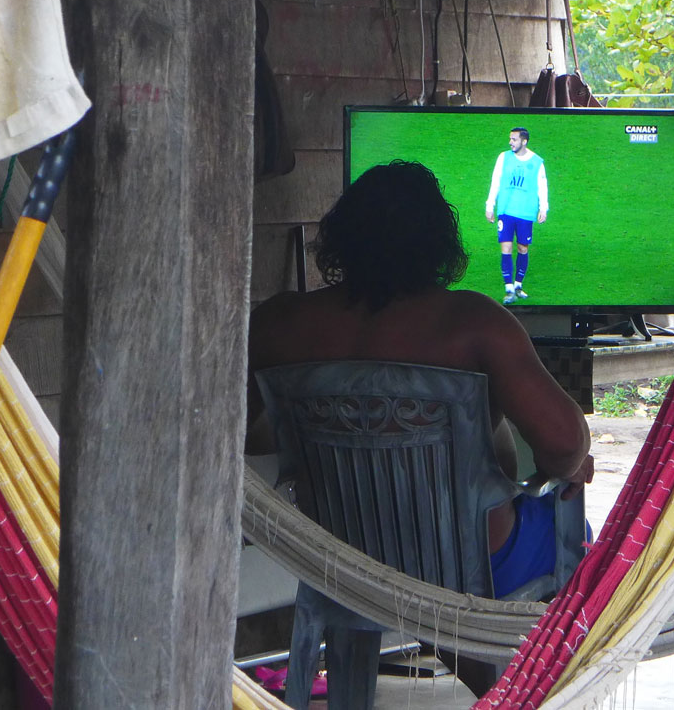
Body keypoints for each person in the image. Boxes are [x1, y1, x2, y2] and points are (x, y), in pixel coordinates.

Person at [246, 161, 592, 612]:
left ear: (344, 238)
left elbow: (225, 430)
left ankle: (472, 666)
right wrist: (563, 466)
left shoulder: (280, 324)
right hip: (478, 565)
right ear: (437, 241)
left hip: (341, 565)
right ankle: (515, 676)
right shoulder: (475, 324)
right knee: (574, 532)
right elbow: (566, 445)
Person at [485, 127, 549, 304]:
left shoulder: (537, 162)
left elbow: (543, 186)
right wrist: (490, 205)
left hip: (525, 212)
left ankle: (518, 285)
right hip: (506, 211)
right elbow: (495, 181)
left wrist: (544, 208)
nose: (510, 142)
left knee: (522, 249)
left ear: (524, 141)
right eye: (510, 139)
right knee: (505, 249)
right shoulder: (503, 158)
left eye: (514, 139)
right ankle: (508, 289)